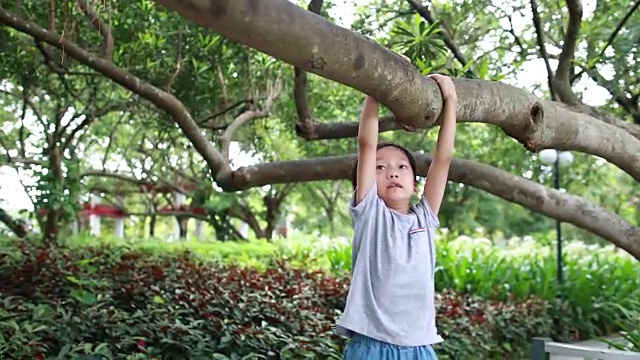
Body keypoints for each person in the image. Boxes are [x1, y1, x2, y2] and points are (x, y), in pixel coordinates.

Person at [334, 56, 458, 360]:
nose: (392, 172)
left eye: (402, 167)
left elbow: (442, 160)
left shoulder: (425, 218)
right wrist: (379, 84)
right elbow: (366, 142)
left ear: (414, 183)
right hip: (371, 345)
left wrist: (451, 102)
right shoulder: (370, 213)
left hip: (419, 347)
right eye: (380, 167)